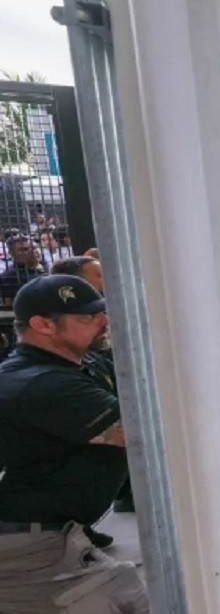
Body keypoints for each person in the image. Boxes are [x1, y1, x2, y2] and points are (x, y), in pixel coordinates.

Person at [0, 276, 149, 612]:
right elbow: (148, 431)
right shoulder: (43, 383)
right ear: (42, 325)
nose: (103, 322)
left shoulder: (56, 369)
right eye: (86, 318)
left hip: (50, 537)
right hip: (30, 547)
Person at [0, 235, 46, 304]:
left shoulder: (45, 267)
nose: (32, 252)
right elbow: (9, 306)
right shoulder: (10, 276)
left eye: (34, 248)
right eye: (24, 249)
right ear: (11, 254)